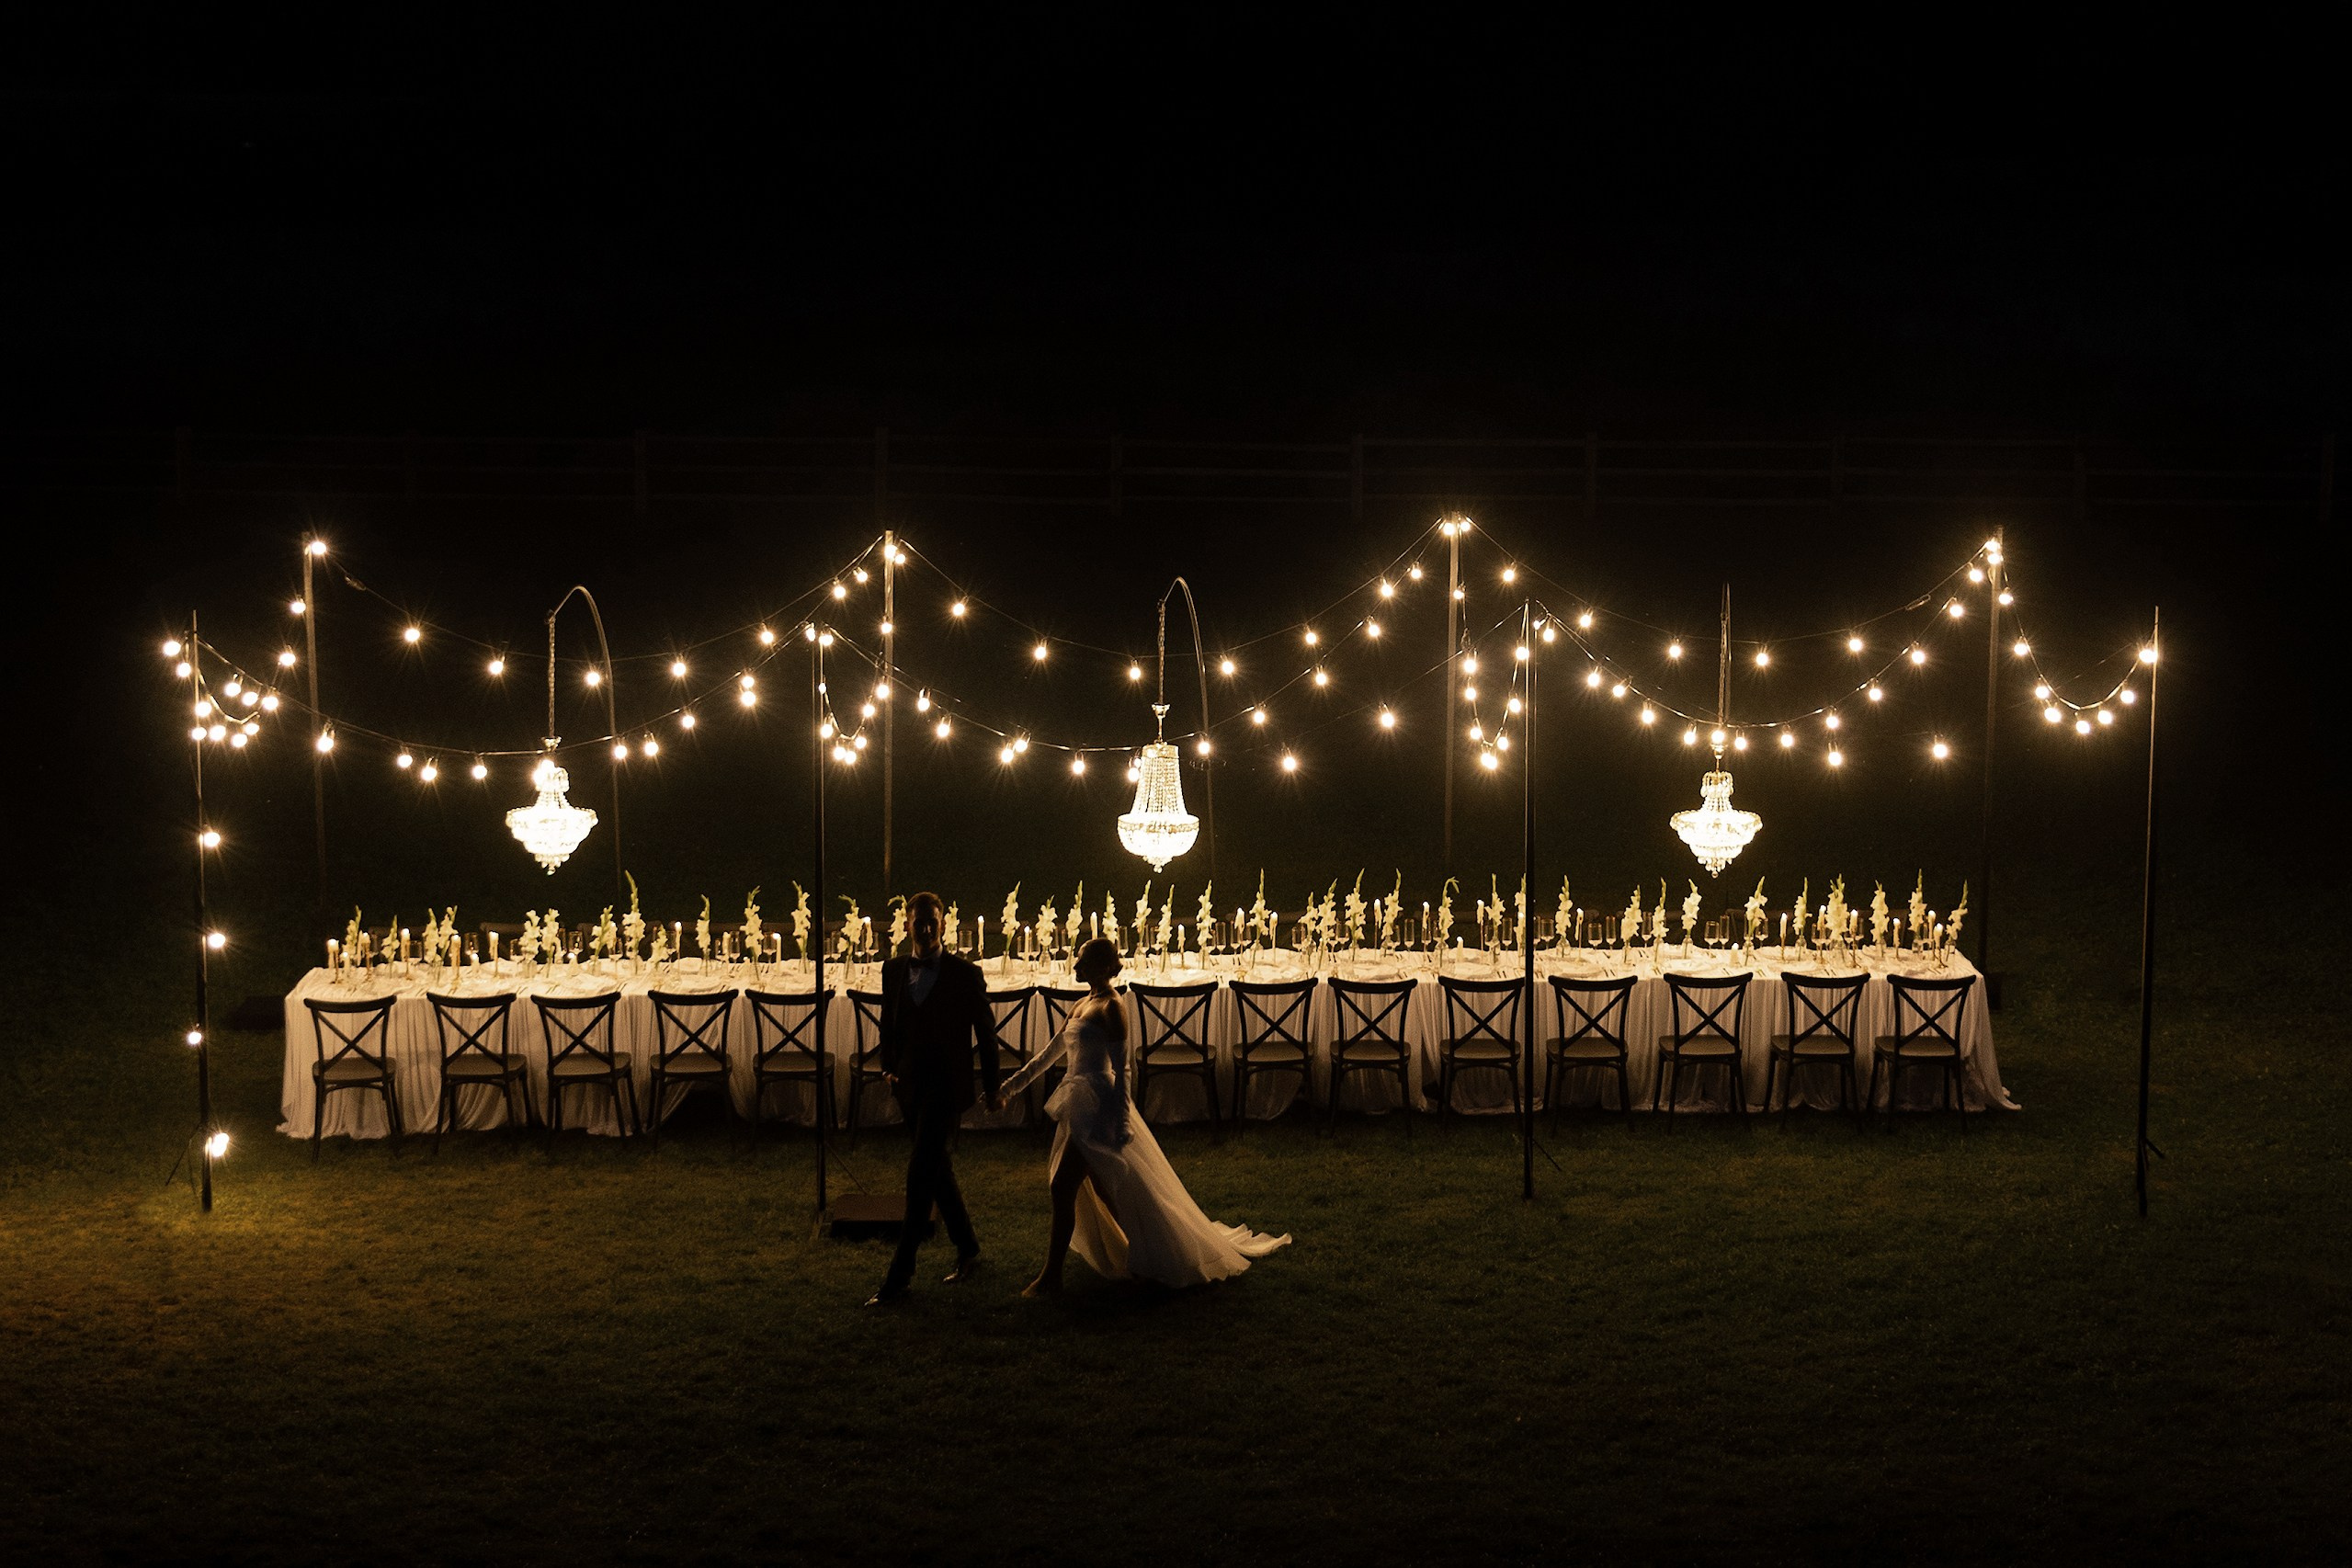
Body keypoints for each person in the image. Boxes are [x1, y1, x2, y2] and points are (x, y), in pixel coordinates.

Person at [999, 936, 1289, 1294]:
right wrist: (1009, 1087)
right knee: (1107, 1189)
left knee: (1065, 1186)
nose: (1075, 967)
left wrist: (1120, 1121)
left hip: (1100, 1108)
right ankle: (1141, 1259)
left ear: (1105, 968)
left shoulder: (1112, 1008)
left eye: (1083, 962)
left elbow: (1125, 1071)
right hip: (1078, 1104)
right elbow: (1049, 1054)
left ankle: (1053, 1276)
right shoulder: (1080, 1005)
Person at [866, 891, 1006, 1306]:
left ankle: (900, 1275)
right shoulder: (892, 970)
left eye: (932, 922)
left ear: (942, 925)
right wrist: (888, 1065)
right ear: (907, 925)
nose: (925, 929)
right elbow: (889, 1021)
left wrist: (993, 1086)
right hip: (908, 1085)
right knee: (936, 1169)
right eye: (918, 922)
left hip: (946, 1086)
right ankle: (969, 1248)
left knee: (919, 1174)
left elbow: (986, 1033)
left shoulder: (964, 973)